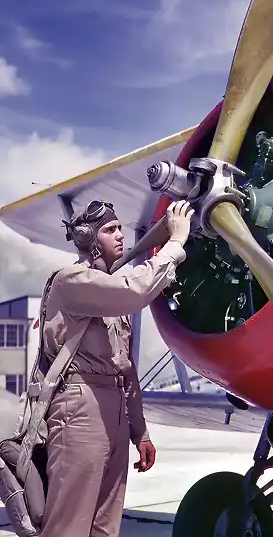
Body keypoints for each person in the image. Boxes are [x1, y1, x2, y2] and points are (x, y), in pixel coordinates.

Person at [38, 198, 194, 537]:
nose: (121, 235)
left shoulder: (110, 298)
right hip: (80, 407)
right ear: (90, 241)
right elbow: (136, 288)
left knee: (105, 526)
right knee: (69, 525)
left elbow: (126, 370)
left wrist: (140, 432)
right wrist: (176, 242)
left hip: (114, 410)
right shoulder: (72, 281)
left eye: (121, 228)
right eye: (110, 230)